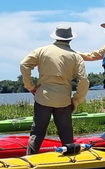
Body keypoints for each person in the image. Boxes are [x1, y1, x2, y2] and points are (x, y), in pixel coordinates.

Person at [21, 24, 89, 155]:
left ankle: (29, 160)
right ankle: (71, 162)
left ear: (55, 36)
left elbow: (24, 64)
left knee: (37, 132)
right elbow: (84, 81)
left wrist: (30, 87)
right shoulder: (75, 56)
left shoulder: (42, 50)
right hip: (64, 99)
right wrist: (76, 100)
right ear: (70, 39)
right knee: (66, 132)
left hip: (43, 97)